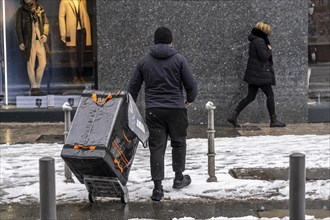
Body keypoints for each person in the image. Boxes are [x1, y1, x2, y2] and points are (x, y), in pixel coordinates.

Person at [128, 27, 198, 201]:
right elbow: (192, 85)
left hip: (154, 110)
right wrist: (190, 98)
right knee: (179, 143)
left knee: (157, 148)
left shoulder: (144, 61)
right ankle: (179, 178)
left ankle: (158, 188)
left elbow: (133, 87)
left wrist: (132, 107)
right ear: (171, 41)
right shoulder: (179, 59)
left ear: (154, 41)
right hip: (176, 109)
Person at [227, 21, 286, 128]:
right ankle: (273, 120)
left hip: (255, 73)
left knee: (250, 97)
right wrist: (269, 50)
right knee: (270, 95)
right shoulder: (259, 41)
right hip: (260, 74)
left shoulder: (256, 40)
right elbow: (263, 57)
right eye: (267, 30)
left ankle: (233, 115)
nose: (269, 32)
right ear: (264, 30)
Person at [15, 0, 49, 96]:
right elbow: (18, 27)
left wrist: (45, 35)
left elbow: (46, 23)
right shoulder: (21, 11)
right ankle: (34, 87)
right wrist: (21, 41)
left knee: (43, 63)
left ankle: (37, 86)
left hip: (40, 40)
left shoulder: (40, 9)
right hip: (29, 41)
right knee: (31, 63)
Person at [58, 0, 92, 84]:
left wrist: (87, 29)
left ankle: (81, 75)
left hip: (82, 30)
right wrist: (63, 33)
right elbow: (61, 17)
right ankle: (74, 76)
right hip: (71, 31)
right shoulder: (64, 1)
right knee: (72, 54)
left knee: (81, 54)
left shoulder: (82, 1)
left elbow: (85, 14)